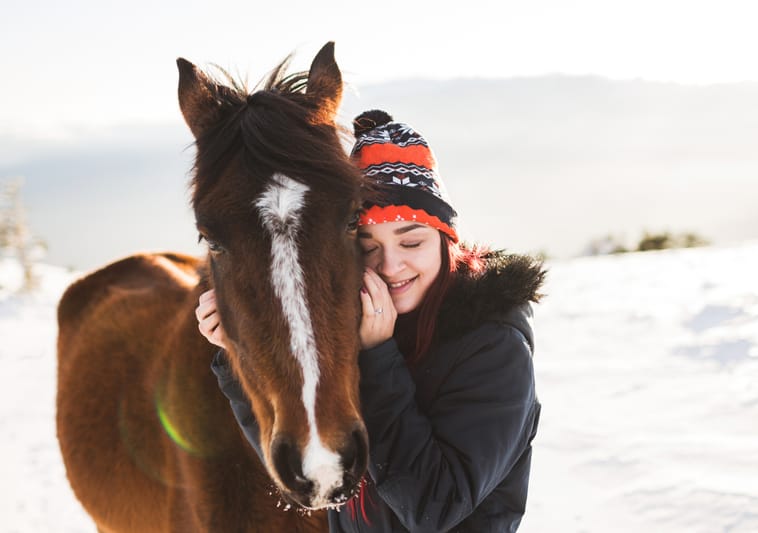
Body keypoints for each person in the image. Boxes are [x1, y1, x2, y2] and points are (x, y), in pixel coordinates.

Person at [195, 110, 545, 532]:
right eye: (367, 243)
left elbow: (435, 507)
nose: (391, 265)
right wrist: (236, 362)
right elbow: (311, 463)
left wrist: (379, 359)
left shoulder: (493, 345)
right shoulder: (358, 328)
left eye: (411, 240)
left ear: (445, 241)